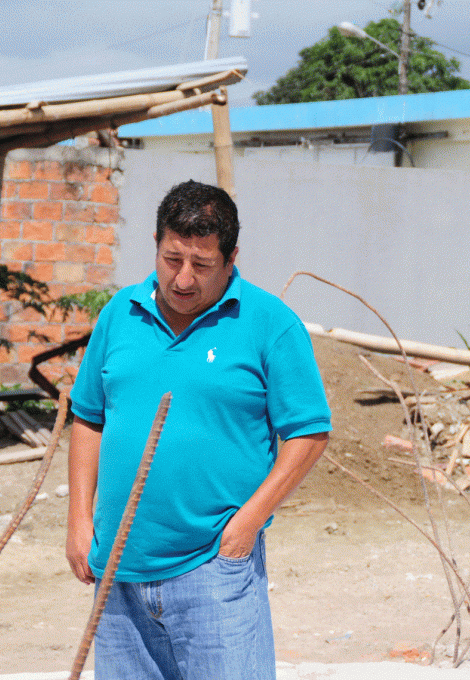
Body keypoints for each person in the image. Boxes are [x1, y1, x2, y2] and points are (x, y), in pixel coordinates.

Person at [65, 179, 331, 679]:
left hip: (214, 569)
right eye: (172, 259)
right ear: (157, 244)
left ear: (231, 258)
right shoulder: (119, 314)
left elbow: (309, 434)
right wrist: (79, 521)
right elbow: (88, 418)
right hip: (117, 567)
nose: (183, 279)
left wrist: (245, 527)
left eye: (201, 265)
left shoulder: (270, 323)